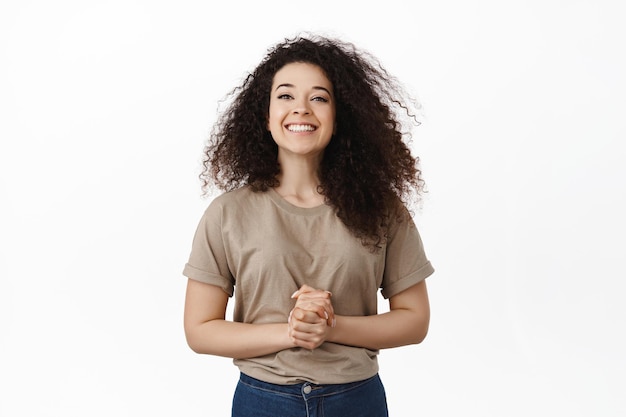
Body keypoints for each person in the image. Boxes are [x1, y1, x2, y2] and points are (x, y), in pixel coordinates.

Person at [182, 34, 434, 417]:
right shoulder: (227, 213)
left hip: (356, 401)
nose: (301, 109)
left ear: (340, 116)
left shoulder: (382, 209)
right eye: (285, 96)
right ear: (265, 117)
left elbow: (415, 321)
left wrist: (331, 327)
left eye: (319, 97)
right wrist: (291, 332)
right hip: (262, 401)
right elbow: (199, 329)